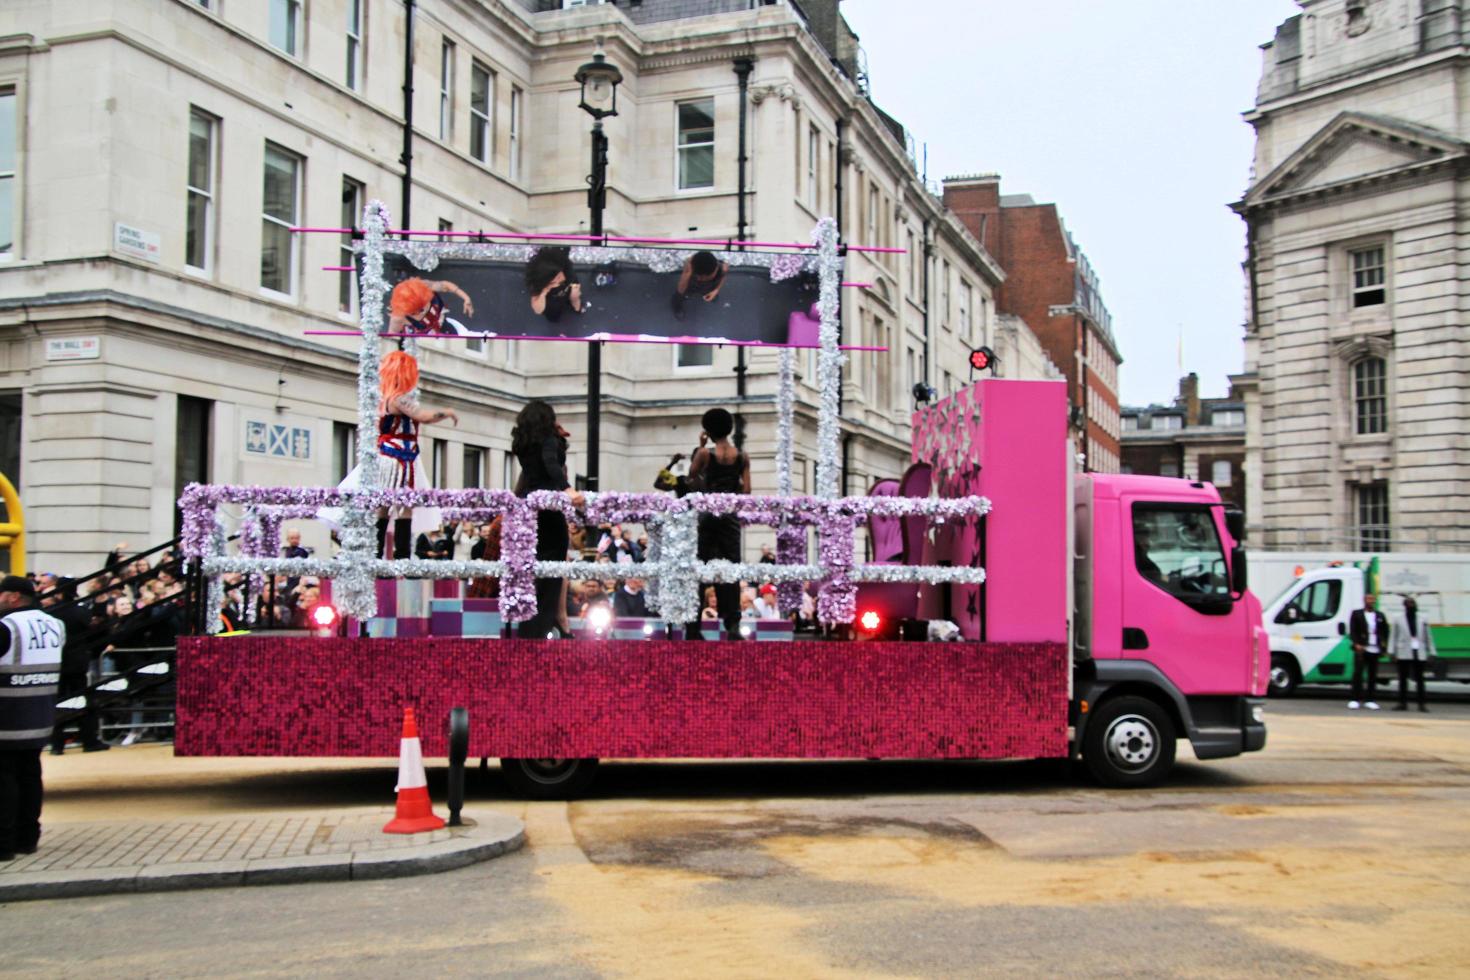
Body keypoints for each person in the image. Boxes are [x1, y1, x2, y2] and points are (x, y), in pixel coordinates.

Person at [325, 351, 457, 559]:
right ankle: (397, 556)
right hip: (397, 458)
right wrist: (447, 412)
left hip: (399, 456)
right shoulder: (398, 399)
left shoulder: (386, 399)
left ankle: (384, 555)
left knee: (389, 506)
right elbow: (422, 416)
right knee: (399, 505)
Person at [0, 575, 66, 860]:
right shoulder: (55, 624)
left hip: (6, 717)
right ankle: (28, 838)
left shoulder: (6, 626)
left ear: (13, 597)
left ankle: (3, 842)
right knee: (30, 777)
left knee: (4, 782)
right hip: (40, 714)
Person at [512, 400, 584, 638]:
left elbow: (534, 469)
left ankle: (531, 626)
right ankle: (543, 625)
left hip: (527, 506)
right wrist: (568, 490)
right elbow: (551, 465)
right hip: (549, 509)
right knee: (552, 571)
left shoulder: (523, 443)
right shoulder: (549, 441)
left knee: (531, 571)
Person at [684, 408, 750, 640]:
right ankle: (732, 624)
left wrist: (700, 446)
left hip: (708, 516)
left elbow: (692, 474)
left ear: (708, 430)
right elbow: (747, 491)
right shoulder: (741, 456)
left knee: (699, 568)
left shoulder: (705, 454)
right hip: (730, 518)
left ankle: (693, 627)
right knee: (731, 570)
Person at [48, 578, 107, 755]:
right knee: (83, 701)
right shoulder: (80, 611)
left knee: (57, 702)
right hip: (77, 663)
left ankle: (57, 744)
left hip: (58, 662)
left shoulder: (52, 612)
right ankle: (89, 740)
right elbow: (94, 631)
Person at [388, 277, 475, 336]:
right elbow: (390, 340)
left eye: (422, 308)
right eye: (413, 313)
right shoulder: (398, 318)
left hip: (449, 330)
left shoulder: (424, 286)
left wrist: (466, 298)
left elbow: (446, 286)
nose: (422, 312)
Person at [1347, 592, 1390, 710]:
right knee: (1358, 674)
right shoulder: (1357, 614)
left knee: (1372, 675)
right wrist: (1356, 644)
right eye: (1369, 599)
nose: (1371, 601)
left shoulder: (1380, 615)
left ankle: (1370, 699)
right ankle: (1355, 698)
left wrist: (1384, 646)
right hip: (1362, 649)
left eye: (1372, 599)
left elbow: (1385, 632)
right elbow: (1353, 630)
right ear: (1364, 600)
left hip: (1375, 649)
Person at [1391, 596, 1434, 712]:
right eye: (1409, 603)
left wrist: (1432, 652)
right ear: (1405, 606)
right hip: (1403, 651)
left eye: (1413, 603)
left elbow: (1428, 635)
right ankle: (1402, 703)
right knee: (1403, 679)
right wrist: (1392, 652)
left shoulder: (1422, 618)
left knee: (1420, 680)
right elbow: (1393, 636)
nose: (1411, 605)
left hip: (1419, 651)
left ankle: (1422, 704)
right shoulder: (1398, 618)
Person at [525, 247, 582, 322]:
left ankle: (574, 306)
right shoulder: (538, 286)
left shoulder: (565, 270)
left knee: (574, 298)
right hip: (551, 303)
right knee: (553, 316)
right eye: (553, 282)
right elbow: (538, 310)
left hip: (567, 292)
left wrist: (575, 299)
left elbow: (574, 282)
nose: (560, 279)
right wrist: (544, 293)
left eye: (558, 276)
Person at [672, 250, 728, 318]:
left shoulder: (723, 268)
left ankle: (710, 295)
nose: (702, 279)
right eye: (699, 277)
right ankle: (677, 305)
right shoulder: (690, 266)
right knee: (680, 296)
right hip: (691, 285)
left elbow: (723, 277)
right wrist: (688, 273)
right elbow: (680, 290)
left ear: (716, 269)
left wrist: (716, 290)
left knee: (709, 292)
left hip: (710, 286)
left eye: (707, 277)